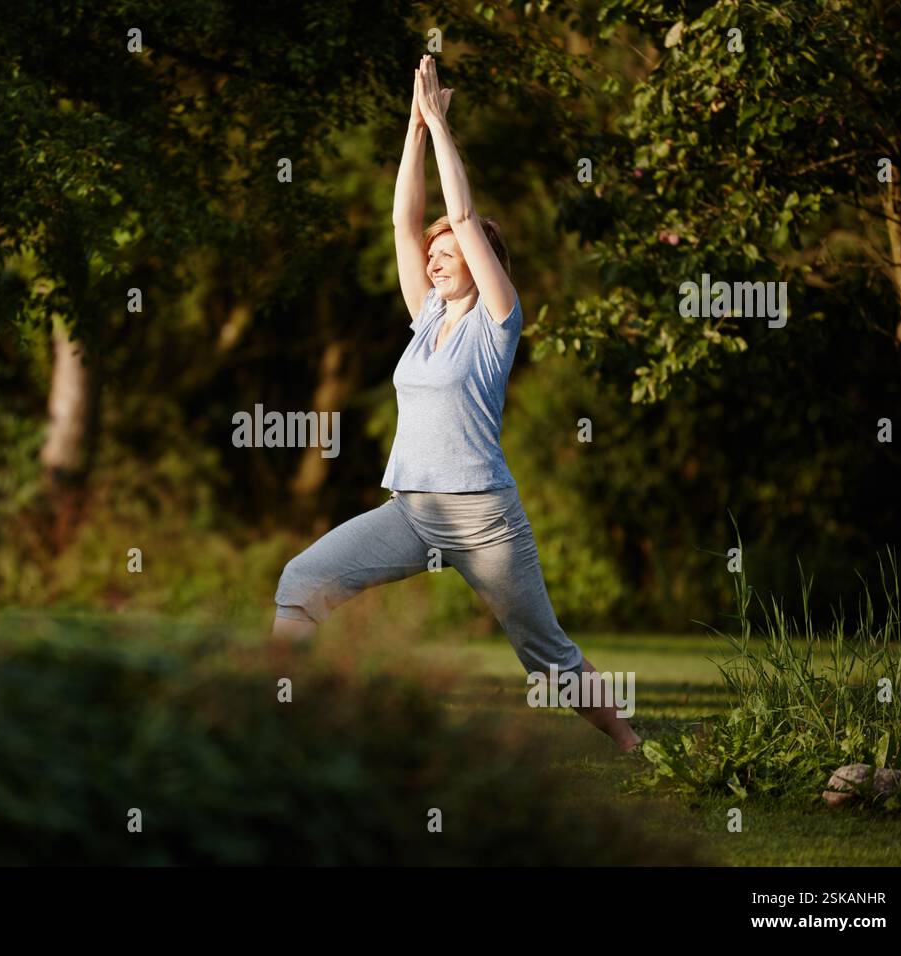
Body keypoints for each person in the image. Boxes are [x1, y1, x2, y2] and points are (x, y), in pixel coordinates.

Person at [270, 56, 641, 753]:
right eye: (433, 254)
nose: (434, 259)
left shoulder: (497, 319)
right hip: (412, 510)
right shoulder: (426, 319)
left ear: (482, 260)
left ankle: (632, 745)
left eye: (448, 253)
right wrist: (412, 126)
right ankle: (279, 721)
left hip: (482, 519)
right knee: (302, 580)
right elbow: (401, 220)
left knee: (545, 653)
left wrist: (443, 126)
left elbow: (461, 213)